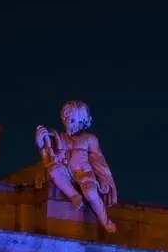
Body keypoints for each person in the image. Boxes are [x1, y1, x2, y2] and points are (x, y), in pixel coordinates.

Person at [36, 100, 118, 234]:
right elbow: (47, 149)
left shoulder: (89, 138)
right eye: (66, 119)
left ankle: (105, 220)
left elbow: (98, 160)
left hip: (85, 174)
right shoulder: (60, 137)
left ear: (82, 121)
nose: (69, 124)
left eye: (72, 120)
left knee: (91, 192)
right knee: (53, 170)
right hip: (67, 172)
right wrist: (40, 139)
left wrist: (104, 180)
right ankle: (74, 196)